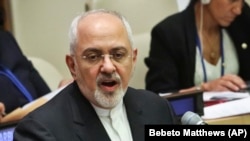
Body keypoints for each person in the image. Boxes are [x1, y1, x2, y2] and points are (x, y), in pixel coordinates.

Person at [13, 9, 177, 141]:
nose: (108, 67)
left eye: (118, 55)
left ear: (133, 59)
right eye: (93, 57)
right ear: (72, 66)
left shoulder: (158, 108)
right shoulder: (39, 131)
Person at [145, 0, 250, 94]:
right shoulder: (169, 33)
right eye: (232, 0)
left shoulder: (243, 20)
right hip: (192, 115)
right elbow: (160, 95)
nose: (238, 10)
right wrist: (205, 88)